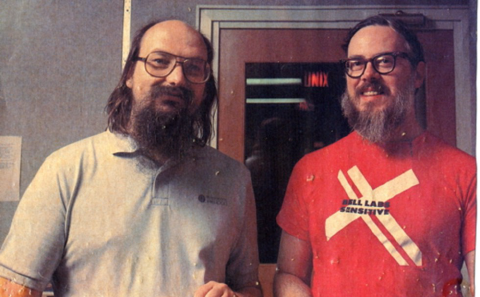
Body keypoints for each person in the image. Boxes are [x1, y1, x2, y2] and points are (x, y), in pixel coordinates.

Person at [0, 20, 262, 297]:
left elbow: (250, 286)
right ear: (129, 75)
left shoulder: (233, 178)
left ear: (205, 86)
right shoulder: (65, 170)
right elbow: (14, 288)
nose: (177, 78)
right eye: (160, 61)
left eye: (193, 67)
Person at [274, 15, 476, 297]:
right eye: (356, 64)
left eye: (384, 61)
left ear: (418, 74)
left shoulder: (466, 172)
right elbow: (288, 275)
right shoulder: (310, 169)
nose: (367, 75)